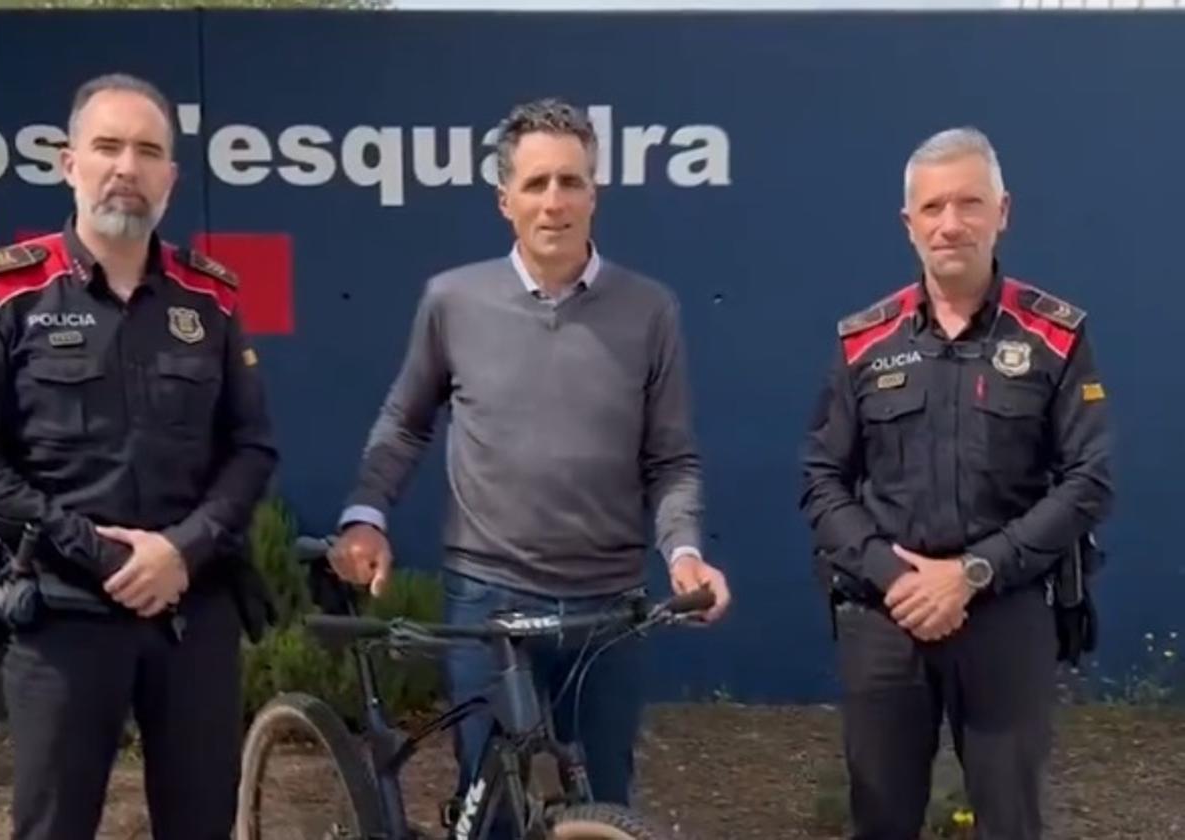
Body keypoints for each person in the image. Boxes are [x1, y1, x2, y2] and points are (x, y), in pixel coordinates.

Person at [328, 97, 731, 819]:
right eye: (537, 184)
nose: (555, 202)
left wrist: (685, 554)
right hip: (489, 600)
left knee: (602, 809)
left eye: (570, 183)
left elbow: (671, 459)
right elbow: (405, 422)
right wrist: (366, 515)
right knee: (492, 816)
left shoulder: (650, 310)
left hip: (608, 610)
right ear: (504, 200)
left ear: (594, 194)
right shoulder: (452, 299)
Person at [0, 73, 278, 840]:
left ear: (171, 178)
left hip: (193, 613)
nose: (127, 166)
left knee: (201, 825)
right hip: (61, 613)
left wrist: (183, 551)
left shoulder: (209, 297)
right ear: (68, 162)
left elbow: (251, 446)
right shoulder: (9, 291)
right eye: (107, 146)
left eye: (148, 151)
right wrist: (101, 553)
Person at [799, 126, 1112, 840]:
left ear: (1003, 211)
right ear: (908, 225)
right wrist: (890, 572)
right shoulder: (864, 341)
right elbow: (822, 480)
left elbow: (1089, 480)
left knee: (1011, 822)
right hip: (888, 614)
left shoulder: (1054, 336)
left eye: (970, 203)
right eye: (933, 207)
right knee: (879, 819)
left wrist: (972, 572)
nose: (951, 223)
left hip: (1005, 614)